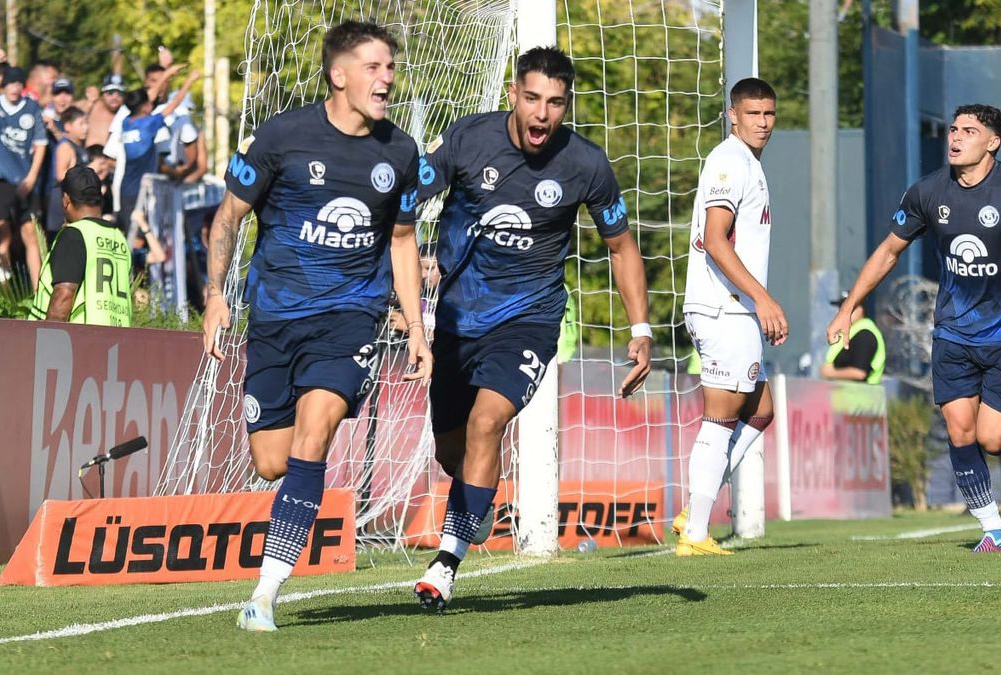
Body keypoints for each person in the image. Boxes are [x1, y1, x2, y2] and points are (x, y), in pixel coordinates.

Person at [200, 20, 431, 632]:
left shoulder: (401, 152)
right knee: (273, 462)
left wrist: (414, 325)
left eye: (389, 67)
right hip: (275, 316)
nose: (387, 78)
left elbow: (403, 242)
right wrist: (216, 296)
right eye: (374, 67)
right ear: (339, 75)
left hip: (351, 317)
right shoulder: (282, 137)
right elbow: (227, 220)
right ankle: (278, 554)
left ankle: (265, 594)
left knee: (315, 436)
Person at [412, 46, 651, 608]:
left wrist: (639, 328)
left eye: (556, 104)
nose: (543, 114)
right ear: (513, 95)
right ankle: (477, 499)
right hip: (457, 318)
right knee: (453, 450)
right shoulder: (467, 140)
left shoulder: (586, 164)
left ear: (566, 107)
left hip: (530, 318)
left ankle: (445, 563)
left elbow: (620, 245)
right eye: (533, 99)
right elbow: (402, 201)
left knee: (486, 423)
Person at [826, 104, 1001, 553]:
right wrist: (849, 307)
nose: (955, 137)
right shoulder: (928, 191)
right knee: (960, 432)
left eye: (969, 130)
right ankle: (993, 529)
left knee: (992, 438)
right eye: (953, 129)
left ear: (993, 142)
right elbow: (889, 251)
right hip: (952, 334)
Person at [672, 77, 783, 557]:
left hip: (734, 308)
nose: (762, 122)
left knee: (760, 410)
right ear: (732, 114)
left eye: (769, 114)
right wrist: (762, 298)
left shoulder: (747, 164)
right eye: (753, 113)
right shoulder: (727, 162)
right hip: (723, 307)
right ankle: (694, 533)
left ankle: (696, 506)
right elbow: (716, 240)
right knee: (720, 417)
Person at [26, 166, 131, 325]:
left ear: (66, 200)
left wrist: (47, 342)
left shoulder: (74, 235)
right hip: (116, 340)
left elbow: (64, 295)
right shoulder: (119, 238)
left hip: (80, 343)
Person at [116, 73, 200, 231]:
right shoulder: (149, 123)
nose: (152, 102)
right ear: (144, 107)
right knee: (141, 236)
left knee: (130, 232)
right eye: (149, 102)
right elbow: (175, 103)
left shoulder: (126, 122)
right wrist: (188, 80)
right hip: (141, 191)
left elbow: (148, 96)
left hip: (126, 188)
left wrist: (168, 73)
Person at [0, 66, 47, 288]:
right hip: (2, 181)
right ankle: (5, 288)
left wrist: (31, 179)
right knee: (2, 230)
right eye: (10, 83)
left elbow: (40, 145)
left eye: (19, 83)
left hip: (26, 181)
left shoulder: (31, 108)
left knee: (30, 234)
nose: (15, 87)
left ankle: (38, 293)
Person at [821, 291, 885, 383]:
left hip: (864, 395)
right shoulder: (852, 332)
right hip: (846, 394)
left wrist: (831, 373)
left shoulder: (865, 334)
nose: (841, 312)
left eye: (846, 308)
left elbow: (859, 373)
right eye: (840, 308)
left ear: (861, 309)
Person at [45, 107, 90, 238]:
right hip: (62, 205)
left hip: (74, 204)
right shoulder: (66, 147)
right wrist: (87, 172)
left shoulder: (78, 146)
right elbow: (60, 175)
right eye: (81, 123)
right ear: (68, 126)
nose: (86, 127)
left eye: (87, 123)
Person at [86, 74, 124, 148]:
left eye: (119, 93)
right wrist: (88, 104)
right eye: (110, 92)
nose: (115, 97)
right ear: (103, 94)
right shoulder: (92, 108)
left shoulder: (128, 113)